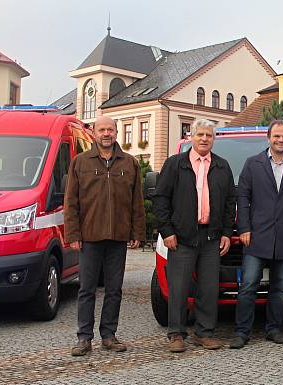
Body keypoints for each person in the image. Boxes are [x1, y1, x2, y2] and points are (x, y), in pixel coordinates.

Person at [152, 119, 236, 352]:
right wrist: (166, 231)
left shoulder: (222, 166)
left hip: (211, 236)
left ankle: (204, 333)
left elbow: (230, 202)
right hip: (182, 237)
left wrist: (227, 233)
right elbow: (160, 199)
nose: (204, 139)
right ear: (191, 136)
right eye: (200, 134)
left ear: (214, 139)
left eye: (209, 135)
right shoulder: (175, 164)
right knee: (178, 287)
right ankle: (176, 334)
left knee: (209, 288)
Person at [65, 116, 145, 357]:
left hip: (118, 237)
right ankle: (84, 337)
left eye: (110, 129)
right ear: (94, 133)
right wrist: (73, 234)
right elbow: (71, 202)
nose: (106, 134)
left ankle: (109, 335)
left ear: (116, 132)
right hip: (89, 237)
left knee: (114, 289)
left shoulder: (129, 163)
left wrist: (137, 232)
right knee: (87, 289)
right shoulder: (80, 163)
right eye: (102, 130)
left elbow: (137, 202)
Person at [230, 120, 283, 349]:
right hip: (256, 237)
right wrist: (244, 228)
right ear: (269, 138)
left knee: (279, 287)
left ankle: (274, 329)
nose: (281, 140)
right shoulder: (252, 164)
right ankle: (242, 331)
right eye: (277, 136)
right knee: (248, 286)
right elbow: (243, 199)